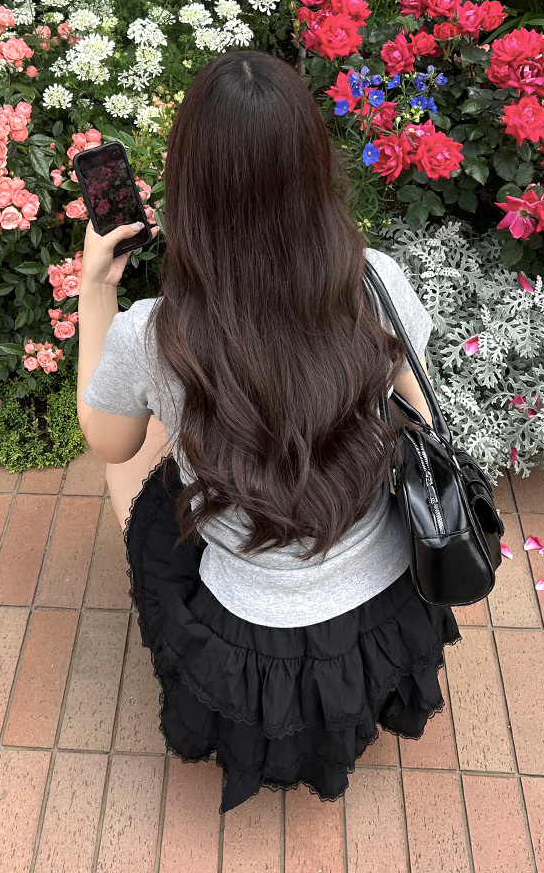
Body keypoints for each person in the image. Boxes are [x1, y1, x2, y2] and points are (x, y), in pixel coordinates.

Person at [77, 50, 460, 814]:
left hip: (249, 620)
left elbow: (108, 442)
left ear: (191, 187)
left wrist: (95, 288)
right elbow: (420, 414)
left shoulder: (158, 333)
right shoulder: (375, 281)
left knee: (135, 464)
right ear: (314, 170)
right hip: (385, 584)